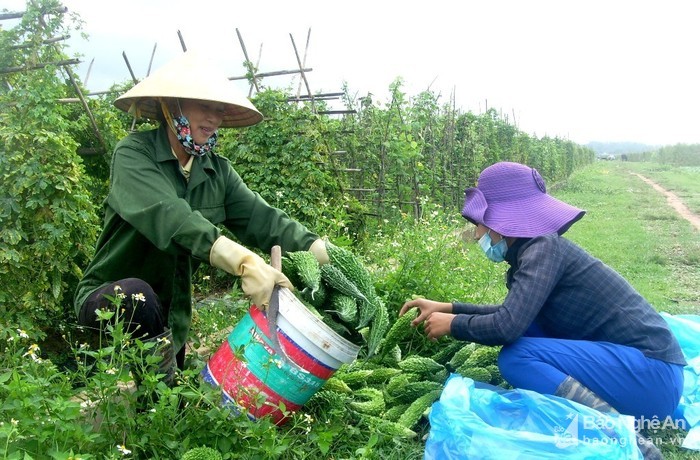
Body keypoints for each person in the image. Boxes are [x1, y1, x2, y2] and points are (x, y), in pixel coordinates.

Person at [400, 161, 685, 459]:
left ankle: (625, 436)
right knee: (529, 332)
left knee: (517, 356)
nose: (476, 235)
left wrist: (454, 323)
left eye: (479, 224)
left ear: (500, 219)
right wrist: (449, 307)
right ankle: (608, 419)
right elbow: (517, 313)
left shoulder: (542, 249)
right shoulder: (535, 250)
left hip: (653, 376)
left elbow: (506, 326)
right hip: (647, 377)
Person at [73, 51, 329, 381]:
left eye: (219, 109)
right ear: (173, 105)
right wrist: (244, 261)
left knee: (166, 396)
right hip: (112, 300)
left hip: (169, 316)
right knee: (139, 295)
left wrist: (322, 253)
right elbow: (174, 218)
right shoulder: (134, 154)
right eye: (204, 106)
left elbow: (263, 220)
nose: (213, 118)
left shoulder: (216, 172)